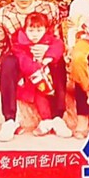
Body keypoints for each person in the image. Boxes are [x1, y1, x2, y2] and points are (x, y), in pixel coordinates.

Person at [0, 0, 64, 139]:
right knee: (7, 62)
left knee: (58, 62)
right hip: (18, 58)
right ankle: (10, 120)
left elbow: (58, 38)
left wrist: (47, 51)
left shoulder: (49, 10)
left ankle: (58, 117)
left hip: (43, 57)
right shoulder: (3, 14)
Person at [6, 11, 68, 140]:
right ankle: (45, 120)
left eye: (39, 30)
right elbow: (22, 60)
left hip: (46, 76)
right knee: (40, 95)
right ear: (25, 29)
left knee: (50, 87)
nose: (35, 34)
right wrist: (37, 70)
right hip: (30, 78)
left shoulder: (49, 39)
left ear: (45, 30)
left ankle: (55, 120)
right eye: (31, 30)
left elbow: (59, 46)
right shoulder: (19, 43)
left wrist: (48, 58)